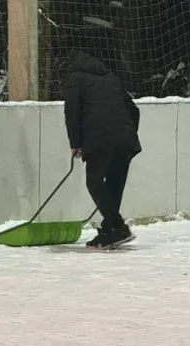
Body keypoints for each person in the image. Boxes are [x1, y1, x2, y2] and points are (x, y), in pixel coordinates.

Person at [63, 50, 142, 249]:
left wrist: (75, 143)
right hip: (126, 139)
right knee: (114, 184)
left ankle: (117, 226)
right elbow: (134, 110)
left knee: (94, 182)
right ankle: (110, 230)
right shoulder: (111, 78)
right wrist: (126, 133)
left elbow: (72, 113)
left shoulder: (74, 79)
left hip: (100, 139)